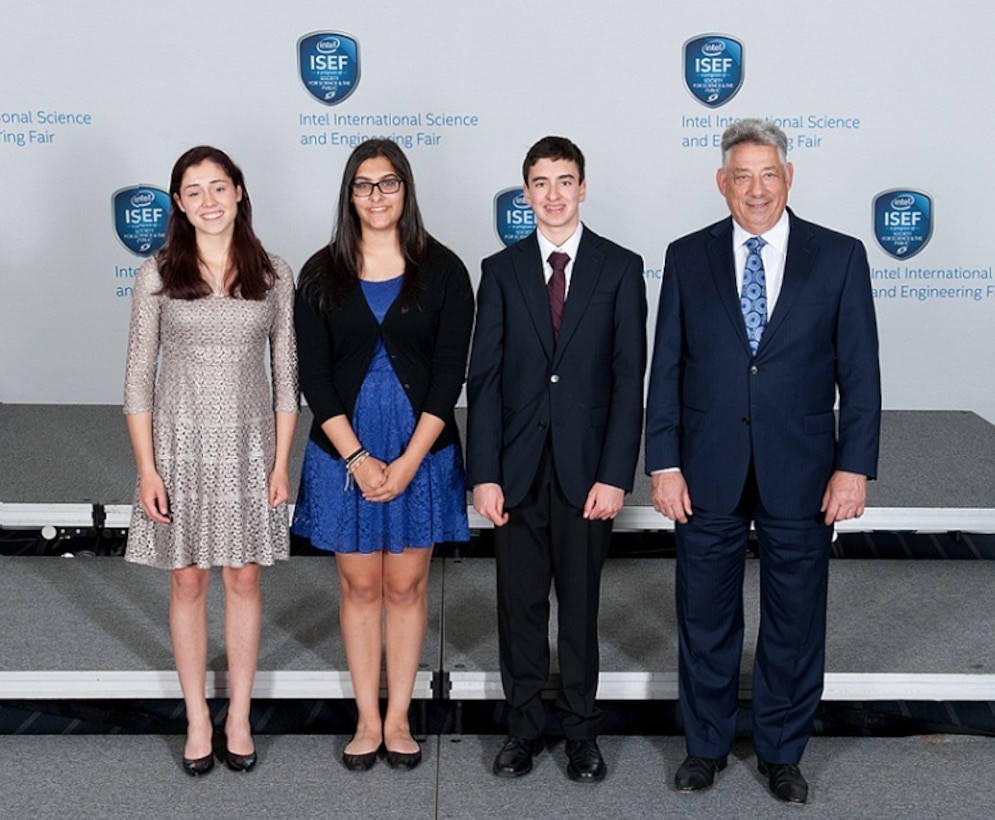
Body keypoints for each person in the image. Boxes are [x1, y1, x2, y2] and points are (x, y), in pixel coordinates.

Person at [645, 119, 881, 803]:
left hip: (805, 469)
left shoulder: (836, 257)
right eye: (740, 175)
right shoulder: (687, 257)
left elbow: (859, 374)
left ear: (788, 176)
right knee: (704, 617)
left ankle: (781, 750)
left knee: (794, 617)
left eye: (767, 173)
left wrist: (852, 465)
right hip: (704, 466)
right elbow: (666, 371)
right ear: (721, 183)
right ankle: (706, 746)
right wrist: (662, 461)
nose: (754, 188)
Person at [467, 136, 647, 783]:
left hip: (585, 474)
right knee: (517, 609)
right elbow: (482, 380)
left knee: (579, 610)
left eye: (564, 181)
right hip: (514, 475)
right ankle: (521, 731)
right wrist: (483, 473)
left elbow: (630, 380)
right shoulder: (501, 269)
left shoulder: (620, 268)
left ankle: (580, 735)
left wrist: (613, 474)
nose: (552, 194)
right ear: (525, 194)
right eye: (540, 183)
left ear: (582, 187)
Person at [293, 138, 474, 772]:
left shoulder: (446, 270)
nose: (377, 195)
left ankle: (399, 717)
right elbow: (312, 376)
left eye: (389, 183)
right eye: (364, 185)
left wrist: (406, 462)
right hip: (343, 452)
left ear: (407, 190)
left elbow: (451, 373)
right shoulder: (318, 273)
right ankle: (366, 719)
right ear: (349, 194)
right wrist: (358, 461)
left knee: (405, 585)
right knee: (359, 584)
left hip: (420, 449)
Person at [124, 145, 299, 776]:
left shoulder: (274, 273)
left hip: (252, 449)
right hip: (178, 447)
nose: (208, 201)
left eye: (218, 188)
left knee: (245, 579)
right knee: (188, 579)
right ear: (178, 203)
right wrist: (147, 469)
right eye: (193, 191)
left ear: (240, 191)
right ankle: (198, 716)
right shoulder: (159, 272)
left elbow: (287, 378)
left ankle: (239, 715)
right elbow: (138, 377)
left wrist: (282, 464)